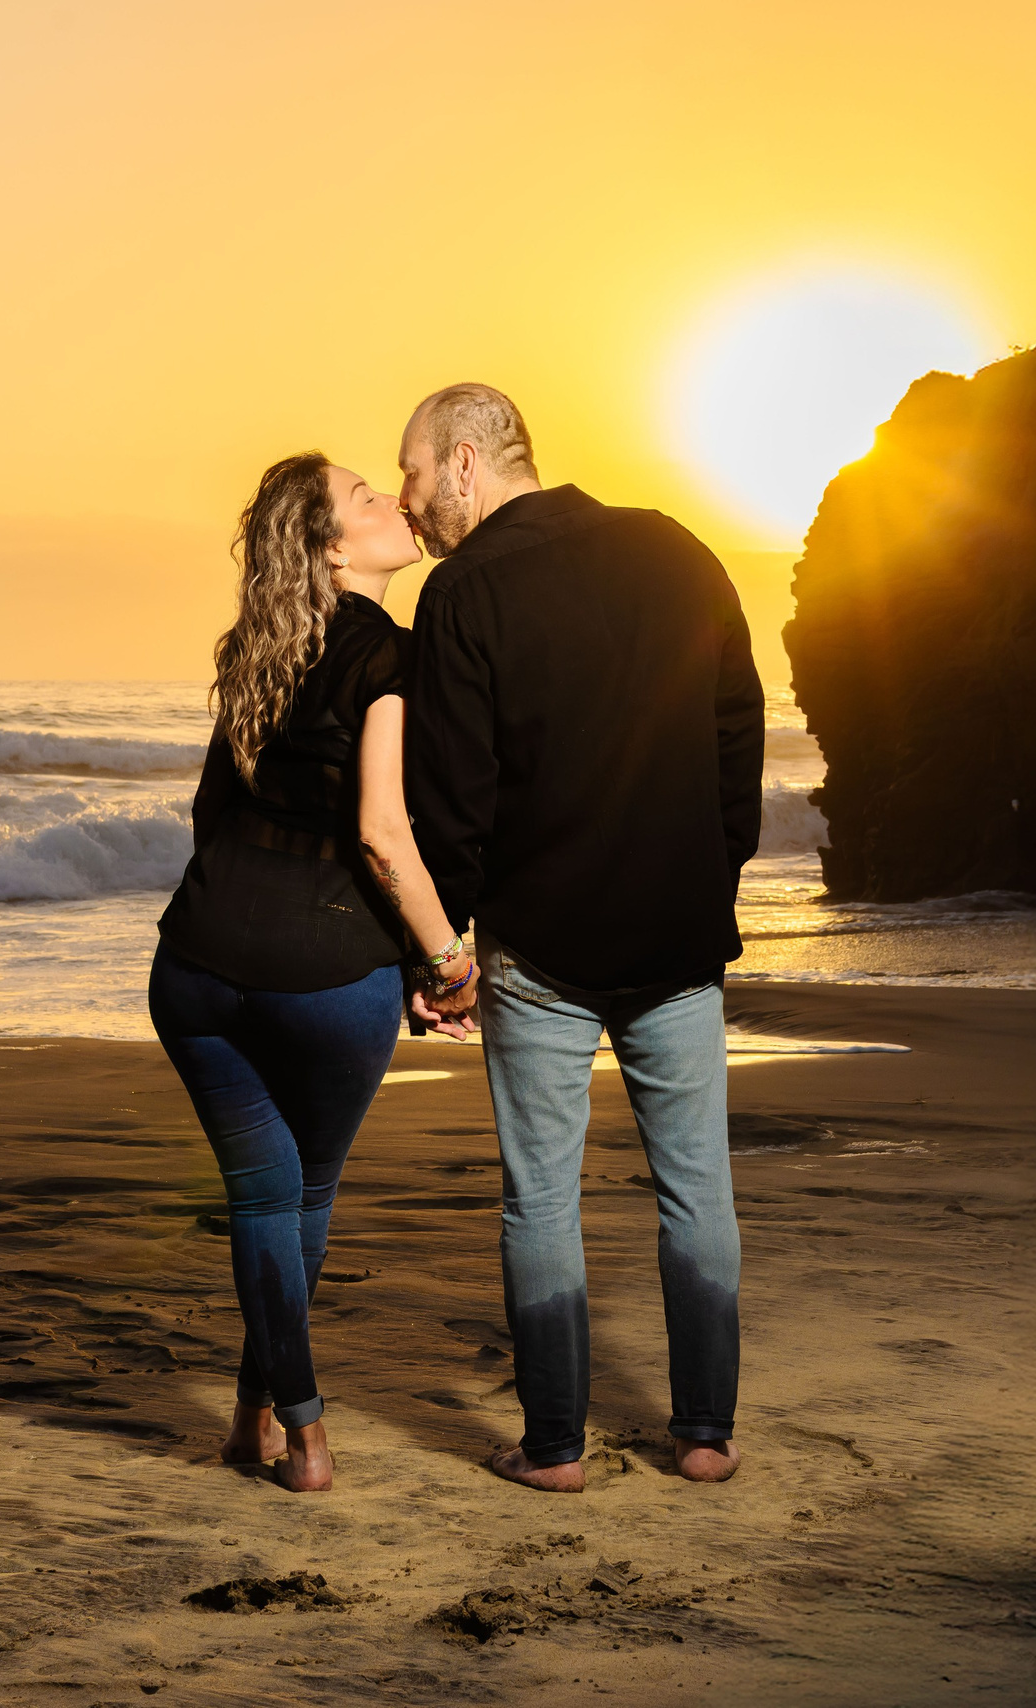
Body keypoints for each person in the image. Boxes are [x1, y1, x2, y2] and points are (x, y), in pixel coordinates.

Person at [399, 383, 765, 1491]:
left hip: (542, 951)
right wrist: (714, 865)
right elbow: (734, 727)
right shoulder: (676, 551)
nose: (408, 500)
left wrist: (438, 953)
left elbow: (454, 797)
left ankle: (554, 1445)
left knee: (540, 1196)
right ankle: (703, 1435)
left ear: (466, 463)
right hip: (675, 934)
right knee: (697, 1187)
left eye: (413, 471)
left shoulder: (462, 594)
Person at [150, 452, 476, 1494]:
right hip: (325, 978)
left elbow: (210, 816)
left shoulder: (258, 650)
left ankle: (261, 1421)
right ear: (336, 546)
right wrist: (445, 956)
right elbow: (384, 835)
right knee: (303, 1195)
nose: (392, 501)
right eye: (367, 498)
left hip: (196, 968)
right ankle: (306, 1432)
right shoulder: (389, 654)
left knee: (262, 1197)